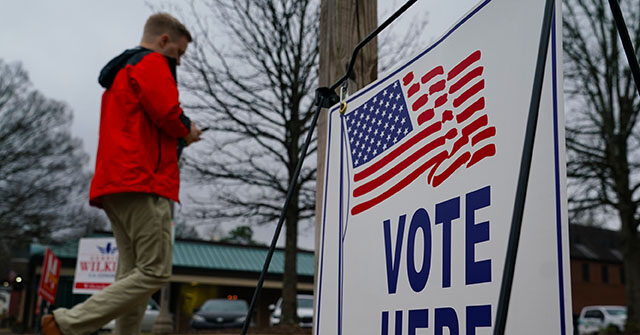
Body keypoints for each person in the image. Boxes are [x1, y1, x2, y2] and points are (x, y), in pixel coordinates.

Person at [41, 12, 202, 335]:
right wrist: (187, 131)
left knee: (132, 276)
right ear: (164, 41)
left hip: (116, 183)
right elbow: (168, 113)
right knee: (155, 272)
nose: (179, 63)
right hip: (144, 181)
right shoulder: (153, 63)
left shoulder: (121, 73)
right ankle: (65, 323)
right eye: (179, 53)